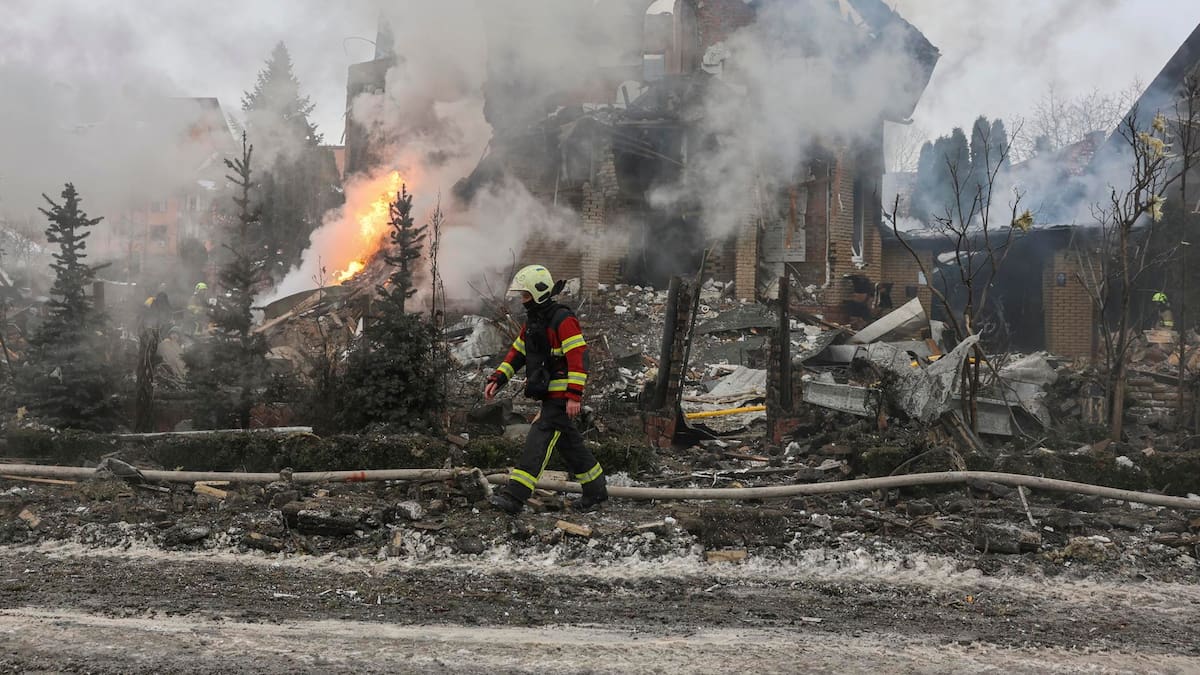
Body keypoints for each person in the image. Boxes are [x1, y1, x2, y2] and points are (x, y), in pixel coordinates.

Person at [484, 264, 608, 515]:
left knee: (538, 438)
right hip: (550, 395)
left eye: (526, 295)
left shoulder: (563, 319)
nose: (523, 300)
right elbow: (517, 353)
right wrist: (498, 378)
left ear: (539, 293)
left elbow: (578, 357)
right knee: (569, 444)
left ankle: (515, 496)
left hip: (561, 397)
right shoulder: (533, 322)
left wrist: (574, 395)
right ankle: (596, 491)